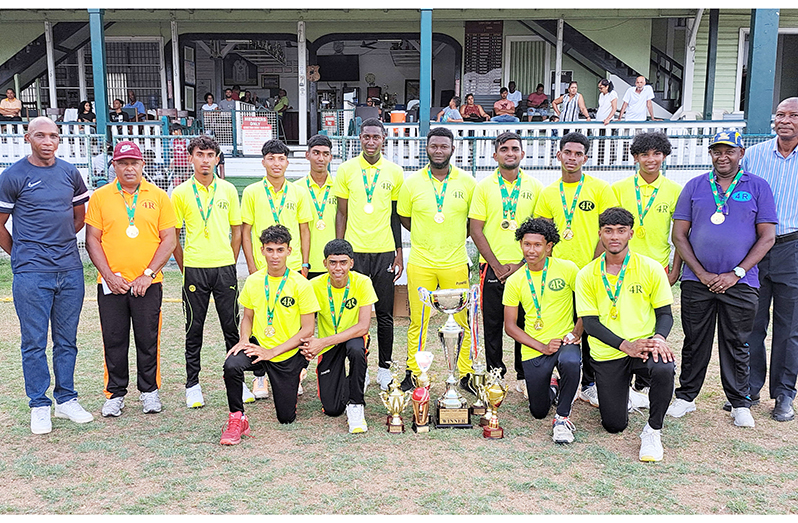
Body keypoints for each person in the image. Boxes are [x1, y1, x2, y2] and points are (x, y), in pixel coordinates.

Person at [668, 130, 777, 427]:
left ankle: (740, 403)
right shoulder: (695, 186)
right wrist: (701, 273)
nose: (723, 156)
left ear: (741, 153)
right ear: (711, 154)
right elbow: (679, 235)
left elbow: (767, 238)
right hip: (697, 281)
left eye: (729, 150)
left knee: (738, 342)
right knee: (694, 341)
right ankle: (686, 397)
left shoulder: (757, 186)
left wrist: (736, 273)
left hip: (741, 282)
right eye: (717, 151)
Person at [0, 117, 94, 434]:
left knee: (67, 340)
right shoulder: (13, 176)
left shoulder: (69, 172)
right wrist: (24, 255)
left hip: (69, 269)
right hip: (31, 273)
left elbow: (79, 217)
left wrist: (59, 244)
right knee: (34, 342)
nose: (47, 141)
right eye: (40, 135)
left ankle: (66, 400)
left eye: (53, 135)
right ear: (28, 138)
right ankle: (39, 405)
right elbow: (0, 226)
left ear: (59, 140)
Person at [84, 141, 178, 418]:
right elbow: (92, 240)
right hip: (111, 285)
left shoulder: (159, 196)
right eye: (122, 163)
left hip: (148, 283)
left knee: (148, 338)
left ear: (142, 165)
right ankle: (115, 393)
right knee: (113, 339)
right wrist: (108, 276)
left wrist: (147, 275)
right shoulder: (100, 197)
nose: (128, 168)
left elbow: (169, 239)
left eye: (134, 162)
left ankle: (149, 391)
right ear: (114, 165)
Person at [576, 207, 676, 462]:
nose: (614, 237)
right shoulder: (587, 274)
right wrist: (624, 345)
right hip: (609, 352)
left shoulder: (651, 268)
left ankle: (653, 430)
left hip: (643, 347)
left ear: (631, 233)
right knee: (614, 424)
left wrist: (659, 339)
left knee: (664, 367)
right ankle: (626, 395)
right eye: (608, 231)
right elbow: (590, 323)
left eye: (621, 231)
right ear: (600, 234)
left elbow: (665, 314)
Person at [534, 132, 619, 407]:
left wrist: (595, 266)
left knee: (592, 328)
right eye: (567, 153)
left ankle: (591, 383)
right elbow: (542, 234)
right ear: (559, 155)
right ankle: (555, 378)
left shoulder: (600, 189)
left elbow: (608, 230)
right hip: (558, 274)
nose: (572, 158)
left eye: (578, 154)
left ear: (586, 157)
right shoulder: (548, 193)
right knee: (558, 325)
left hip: (592, 271)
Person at [220, 225, 320, 445]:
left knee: (286, 419)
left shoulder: (301, 284)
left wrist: (272, 352)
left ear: (289, 251)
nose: (275, 256)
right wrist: (244, 340)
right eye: (270, 250)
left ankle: (297, 374)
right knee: (231, 365)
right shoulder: (254, 280)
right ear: (262, 250)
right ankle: (237, 419)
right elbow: (247, 317)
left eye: (280, 250)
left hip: (286, 353)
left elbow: (308, 330)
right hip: (259, 347)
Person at [398, 127, 476, 391]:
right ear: (427, 148)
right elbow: (405, 217)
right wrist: (427, 235)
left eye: (444, 146)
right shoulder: (412, 183)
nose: (439, 151)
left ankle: (464, 374)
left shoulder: (467, 182)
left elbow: (471, 222)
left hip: (455, 261)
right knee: (419, 321)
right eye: (434, 146)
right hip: (421, 261)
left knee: (461, 321)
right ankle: (413, 372)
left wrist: (452, 237)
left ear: (452, 149)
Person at [171, 135, 244, 409]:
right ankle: (193, 385)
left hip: (224, 268)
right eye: (200, 154)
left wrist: (230, 259)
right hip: (195, 269)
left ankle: (238, 380)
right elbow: (174, 235)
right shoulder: (180, 193)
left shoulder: (227, 190)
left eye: (210, 154)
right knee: (194, 328)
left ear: (217, 159)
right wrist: (185, 265)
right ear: (191, 158)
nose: (205, 160)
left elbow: (236, 229)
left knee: (232, 327)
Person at [469, 132, 543, 391]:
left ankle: (524, 377)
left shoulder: (534, 186)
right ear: (495, 154)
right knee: (492, 325)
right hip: (491, 268)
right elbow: (475, 230)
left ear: (522, 153)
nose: (510, 153)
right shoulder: (483, 187)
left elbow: (539, 230)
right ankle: (495, 376)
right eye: (504, 149)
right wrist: (498, 266)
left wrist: (521, 264)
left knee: (525, 323)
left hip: (526, 268)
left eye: (514, 149)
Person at [333, 118, 404, 391]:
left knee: (384, 314)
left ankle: (384, 368)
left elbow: (396, 217)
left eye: (376, 137)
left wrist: (398, 253)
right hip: (355, 253)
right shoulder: (347, 169)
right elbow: (342, 212)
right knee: (354, 315)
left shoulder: (395, 172)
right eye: (366, 137)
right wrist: (340, 251)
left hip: (384, 252)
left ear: (384, 139)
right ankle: (357, 369)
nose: (371, 142)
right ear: (359, 139)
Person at [741, 97, 798, 422]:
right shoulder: (756, 156)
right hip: (757, 249)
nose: (785, 120)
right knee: (752, 323)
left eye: (793, 115)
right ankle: (748, 390)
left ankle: (784, 395)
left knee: (790, 328)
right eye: (780, 114)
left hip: (794, 247)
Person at [503, 217, 582, 444]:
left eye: (538, 245)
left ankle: (562, 417)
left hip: (564, 342)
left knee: (569, 362)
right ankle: (553, 386)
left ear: (549, 246)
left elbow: (587, 306)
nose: (531, 250)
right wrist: (542, 347)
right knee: (538, 411)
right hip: (534, 347)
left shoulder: (567, 269)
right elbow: (510, 326)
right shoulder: (516, 280)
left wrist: (576, 333)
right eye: (527, 244)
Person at [301, 239, 378, 433]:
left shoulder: (362, 282)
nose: (338, 268)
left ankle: (356, 405)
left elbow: (363, 326)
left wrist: (321, 342)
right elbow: (306, 325)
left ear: (351, 263)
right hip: (328, 346)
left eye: (343, 262)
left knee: (357, 350)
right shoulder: (313, 285)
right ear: (325, 263)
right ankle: (354, 379)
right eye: (333, 262)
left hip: (353, 338)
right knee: (332, 409)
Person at [611, 132, 683, 284]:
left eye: (657, 154)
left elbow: (681, 235)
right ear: (636, 158)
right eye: (644, 154)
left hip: (658, 265)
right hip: (624, 264)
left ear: (664, 156)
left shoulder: (675, 190)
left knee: (656, 308)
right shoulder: (618, 188)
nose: (651, 160)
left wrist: (674, 271)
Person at [241, 139, 311, 278]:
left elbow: (304, 230)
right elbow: (245, 232)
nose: (276, 164)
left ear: (287, 163)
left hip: (293, 265)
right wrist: (251, 266)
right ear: (263, 162)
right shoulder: (251, 192)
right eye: (271, 159)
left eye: (281, 159)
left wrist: (304, 264)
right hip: (262, 265)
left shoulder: (299, 192)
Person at [295, 134, 336, 280]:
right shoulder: (295, 188)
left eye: (325, 154)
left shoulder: (339, 188)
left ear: (330, 157)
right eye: (316, 153)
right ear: (307, 155)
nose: (321, 158)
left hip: (334, 262)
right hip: (304, 263)